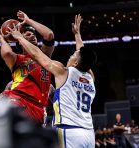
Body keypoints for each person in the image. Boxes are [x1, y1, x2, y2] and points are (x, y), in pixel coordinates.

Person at [9, 14, 97, 148]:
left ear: (75, 63)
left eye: (73, 55)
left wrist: (20, 37)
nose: (70, 55)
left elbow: (38, 55)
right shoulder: (91, 77)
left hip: (69, 131)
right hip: (89, 134)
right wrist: (77, 35)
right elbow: (83, 54)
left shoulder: (63, 72)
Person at [0, 10, 55, 124]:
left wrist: (28, 21)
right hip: (19, 100)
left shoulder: (44, 56)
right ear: (19, 40)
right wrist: (2, 39)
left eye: (34, 34)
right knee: (4, 111)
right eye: (28, 34)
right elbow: (7, 54)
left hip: (37, 109)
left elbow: (49, 35)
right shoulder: (16, 60)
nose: (32, 35)